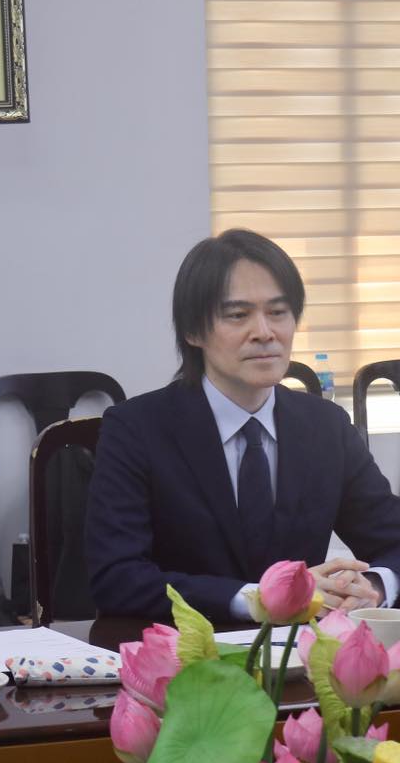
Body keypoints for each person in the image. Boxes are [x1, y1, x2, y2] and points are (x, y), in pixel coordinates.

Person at [86, 229, 400, 621]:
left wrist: (374, 586)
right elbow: (117, 577)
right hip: (187, 649)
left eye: (278, 312)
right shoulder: (136, 429)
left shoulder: (326, 427)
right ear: (193, 331)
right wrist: (259, 599)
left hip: (298, 650)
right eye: (238, 315)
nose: (264, 333)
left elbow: (393, 540)